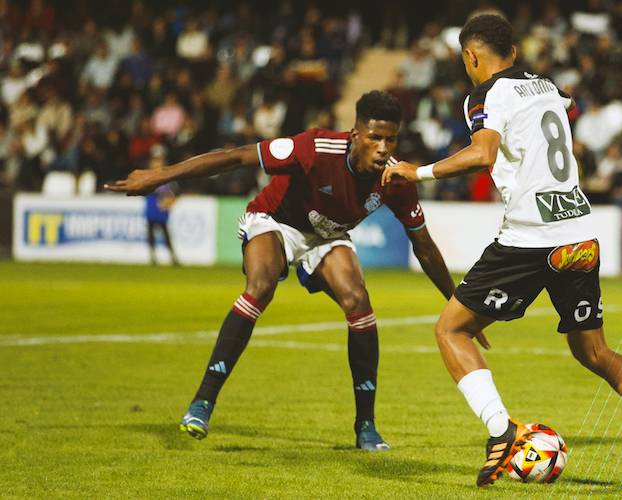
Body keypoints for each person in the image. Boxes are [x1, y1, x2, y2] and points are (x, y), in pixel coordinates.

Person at [382, 14, 622, 487]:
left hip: (531, 236)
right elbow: (560, 117)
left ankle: (500, 431)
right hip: (579, 231)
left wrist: (416, 171)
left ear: (471, 56)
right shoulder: (547, 86)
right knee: (593, 351)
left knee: (452, 330)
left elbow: (483, 155)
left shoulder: (485, 95)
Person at [106, 91, 460, 451]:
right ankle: (203, 402)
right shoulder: (315, 147)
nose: (384, 148)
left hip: (326, 236)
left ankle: (366, 426)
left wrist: (455, 302)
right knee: (261, 285)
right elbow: (235, 157)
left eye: (391, 139)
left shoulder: (396, 179)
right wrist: (160, 176)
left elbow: (424, 245)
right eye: (374, 137)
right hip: (273, 221)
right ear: (355, 135)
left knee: (359, 301)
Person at [144, 145, 179, 266]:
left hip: (161, 211)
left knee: (165, 235)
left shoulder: (167, 177)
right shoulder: (147, 176)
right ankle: (153, 257)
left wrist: (168, 202)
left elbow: (173, 194)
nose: (157, 163)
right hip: (151, 209)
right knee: (151, 234)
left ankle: (172, 256)